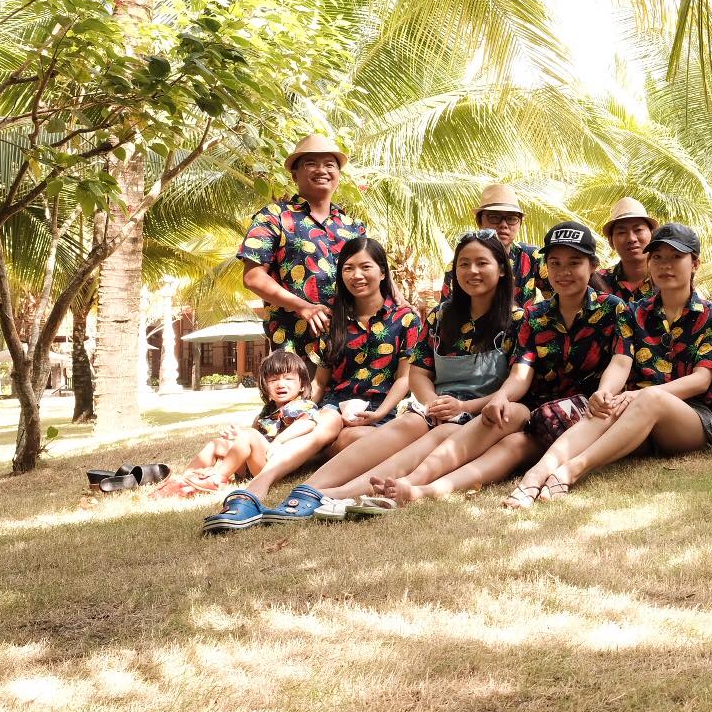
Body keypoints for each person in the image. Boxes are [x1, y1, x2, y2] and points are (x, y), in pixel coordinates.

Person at [247, 229, 522, 520]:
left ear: (502, 269)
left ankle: (342, 492)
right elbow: (419, 373)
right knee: (406, 424)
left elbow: (519, 380)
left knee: (438, 432)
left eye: (482, 263)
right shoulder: (440, 316)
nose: (472, 271)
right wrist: (432, 403)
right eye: (463, 264)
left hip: (478, 410)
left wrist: (462, 407)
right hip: (434, 407)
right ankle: (308, 489)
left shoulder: (517, 320)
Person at [374, 221, 638, 509]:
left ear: (593, 266)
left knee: (515, 439)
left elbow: (621, 359)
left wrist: (604, 391)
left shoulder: (613, 308)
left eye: (574, 263)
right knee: (504, 421)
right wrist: (501, 397)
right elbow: (522, 372)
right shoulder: (534, 316)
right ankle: (414, 484)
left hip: (589, 409)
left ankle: (425, 491)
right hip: (538, 413)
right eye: (555, 263)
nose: (564, 272)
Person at [536, 223, 712, 493]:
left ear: (694, 263)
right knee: (605, 407)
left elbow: (700, 381)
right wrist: (605, 392)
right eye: (657, 257)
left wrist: (640, 395)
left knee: (650, 398)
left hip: (689, 420)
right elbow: (621, 361)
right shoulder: (634, 312)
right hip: (635, 411)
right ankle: (535, 476)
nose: (665, 265)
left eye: (676, 257)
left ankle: (573, 469)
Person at [238, 134, 365, 370]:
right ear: (295, 175)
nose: (322, 170)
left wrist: (399, 301)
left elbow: (374, 277)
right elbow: (253, 277)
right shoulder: (274, 216)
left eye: (329, 164)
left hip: (351, 346)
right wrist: (303, 306)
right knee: (298, 395)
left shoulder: (353, 227)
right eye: (311, 164)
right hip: (294, 350)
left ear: (338, 174)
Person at [309, 236, 425, 451]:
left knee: (353, 438)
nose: (356, 275)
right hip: (333, 408)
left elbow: (404, 378)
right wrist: (304, 409)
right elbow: (319, 381)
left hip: (381, 409)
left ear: (382, 272)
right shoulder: (333, 319)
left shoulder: (406, 319)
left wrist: (379, 414)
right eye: (348, 268)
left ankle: (321, 452)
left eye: (365, 267)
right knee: (323, 428)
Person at [158, 350, 314, 501]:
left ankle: (218, 478)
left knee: (249, 434)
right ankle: (186, 479)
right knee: (217, 444)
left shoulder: (302, 405)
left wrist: (278, 441)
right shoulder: (268, 411)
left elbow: (308, 422)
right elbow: (254, 439)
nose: (280, 384)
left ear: (302, 385)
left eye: (288, 379)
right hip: (255, 463)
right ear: (265, 386)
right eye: (273, 380)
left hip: (275, 466)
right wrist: (238, 438)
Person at [441, 183, 543, 307]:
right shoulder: (460, 266)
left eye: (511, 218)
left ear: (520, 223)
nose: (503, 225)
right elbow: (448, 310)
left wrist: (531, 316)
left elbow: (559, 299)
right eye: (494, 217)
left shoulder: (533, 256)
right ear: (479, 221)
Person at [592, 197, 658, 299]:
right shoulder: (596, 281)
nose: (631, 238)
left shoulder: (669, 277)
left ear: (652, 235)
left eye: (638, 230)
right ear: (611, 241)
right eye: (622, 232)